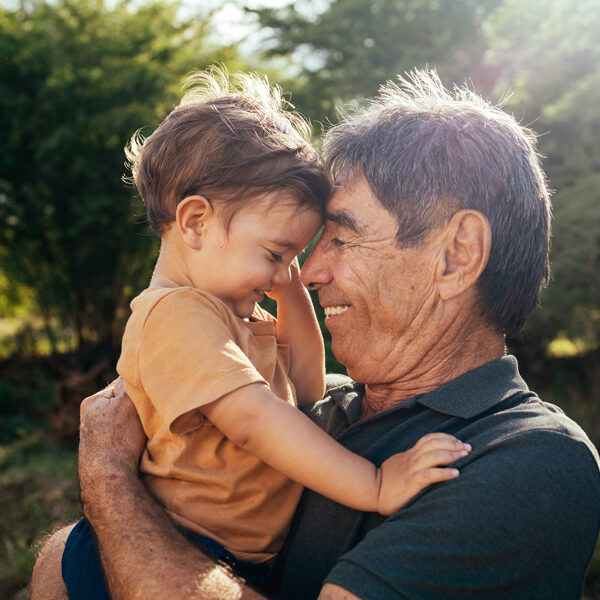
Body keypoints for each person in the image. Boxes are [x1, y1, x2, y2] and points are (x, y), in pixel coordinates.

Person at [31, 69, 600, 600]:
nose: (307, 270)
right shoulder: (321, 404)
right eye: (293, 249)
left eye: (342, 239)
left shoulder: (530, 459)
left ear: (456, 256)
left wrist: (108, 485)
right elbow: (60, 562)